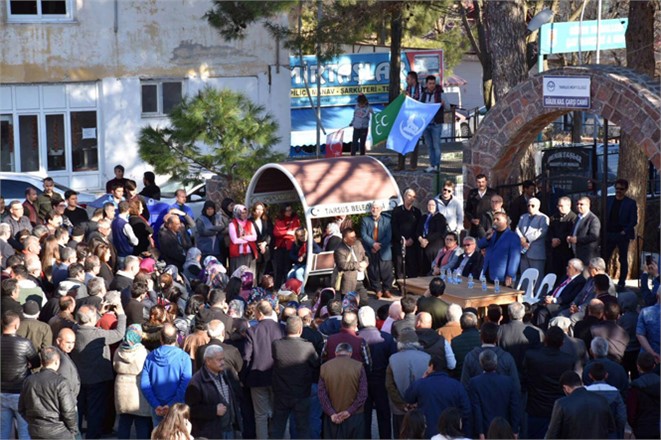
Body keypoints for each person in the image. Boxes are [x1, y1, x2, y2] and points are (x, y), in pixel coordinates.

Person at [71, 303, 126, 439]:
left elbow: (86, 321)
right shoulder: (98, 335)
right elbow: (119, 333)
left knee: (79, 409)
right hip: (97, 379)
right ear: (92, 319)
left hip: (79, 378)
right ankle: (93, 436)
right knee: (95, 411)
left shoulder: (74, 329)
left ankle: (76, 435)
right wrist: (121, 314)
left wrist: (98, 314)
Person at [522, 327, 577, 439]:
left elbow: (524, 379)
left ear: (545, 340)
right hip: (558, 408)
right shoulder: (568, 360)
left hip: (537, 408)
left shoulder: (531, 356)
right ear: (562, 343)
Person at [271, 316, 320, 439]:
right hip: (301, 393)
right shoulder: (307, 347)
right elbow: (316, 363)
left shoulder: (276, 344)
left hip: (281, 393)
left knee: (277, 427)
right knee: (303, 427)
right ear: (300, 330)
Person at [243, 300, 285, 439]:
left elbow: (247, 357)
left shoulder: (252, 331)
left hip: (257, 378)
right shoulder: (281, 329)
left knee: (260, 416)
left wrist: (244, 377)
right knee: (278, 413)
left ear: (259, 313)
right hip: (277, 377)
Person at [18, 346, 78, 439]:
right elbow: (68, 411)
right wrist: (73, 429)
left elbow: (22, 408)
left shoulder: (29, 381)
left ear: (42, 362)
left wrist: (34, 422)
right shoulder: (61, 382)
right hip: (59, 431)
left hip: (36, 430)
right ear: (57, 361)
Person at [405, 356, 471, 438]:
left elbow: (408, 397)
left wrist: (422, 378)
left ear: (432, 366)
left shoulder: (421, 384)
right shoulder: (457, 385)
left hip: (427, 430)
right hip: (450, 432)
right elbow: (466, 410)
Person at [185, 345, 241, 439]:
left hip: (230, 429)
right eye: (219, 360)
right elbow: (191, 409)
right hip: (211, 432)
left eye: (223, 359)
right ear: (208, 361)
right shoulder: (197, 382)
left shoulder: (226, 374)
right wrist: (213, 410)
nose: (223, 362)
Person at [141, 323, 193, 425]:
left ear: (160, 338)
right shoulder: (184, 357)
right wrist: (171, 405)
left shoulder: (150, 357)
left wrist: (156, 405)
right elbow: (185, 385)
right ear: (177, 337)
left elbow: (144, 385)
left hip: (158, 408)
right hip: (177, 408)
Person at [1, 310, 40, 440]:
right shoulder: (25, 343)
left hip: (1, 392)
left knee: (3, 430)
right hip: (20, 391)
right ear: (17, 325)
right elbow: (36, 362)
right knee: (25, 430)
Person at [318, 342, 368, 439]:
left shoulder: (324, 367)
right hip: (354, 417)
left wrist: (331, 412)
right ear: (350, 353)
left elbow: (321, 393)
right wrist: (349, 411)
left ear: (336, 353)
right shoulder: (359, 366)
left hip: (332, 417)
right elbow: (363, 393)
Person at [545, 371, 615, 439]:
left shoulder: (561, 404)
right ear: (581, 383)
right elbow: (611, 428)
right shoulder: (601, 400)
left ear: (565, 388)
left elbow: (552, 434)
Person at [467, 350, 521, 439]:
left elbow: (477, 409)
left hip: (486, 429)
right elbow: (514, 407)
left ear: (481, 364)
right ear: (496, 363)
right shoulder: (508, 382)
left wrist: (480, 432)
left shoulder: (474, 382)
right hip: (505, 428)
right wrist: (515, 430)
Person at [385, 329, 430, 435]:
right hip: (421, 408)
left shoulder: (393, 359)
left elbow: (390, 385)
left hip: (400, 410)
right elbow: (429, 382)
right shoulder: (427, 358)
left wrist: (402, 404)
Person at [113, 324, 153, 440]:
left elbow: (115, 366)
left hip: (122, 387)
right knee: (142, 423)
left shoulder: (118, 351)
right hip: (138, 389)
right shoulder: (144, 352)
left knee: (124, 422)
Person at [460, 322, 519, 390]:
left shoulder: (470, 357)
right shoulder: (507, 357)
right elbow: (515, 385)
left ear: (481, 337)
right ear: (497, 338)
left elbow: (464, 384)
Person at [605, 178, 638, 290]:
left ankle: (621, 282)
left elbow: (633, 220)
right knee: (604, 256)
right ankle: (603, 280)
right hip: (609, 233)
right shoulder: (609, 200)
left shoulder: (630, 203)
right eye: (617, 188)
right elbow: (604, 215)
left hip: (622, 235)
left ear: (626, 189)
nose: (618, 191)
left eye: (621, 189)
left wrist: (624, 231)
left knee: (623, 259)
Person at [360, 202, 394, 299]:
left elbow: (388, 236)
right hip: (371, 249)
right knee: (373, 271)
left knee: (387, 272)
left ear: (381, 210)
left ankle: (386, 290)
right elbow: (363, 235)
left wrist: (379, 246)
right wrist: (373, 244)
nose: (374, 210)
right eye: (373, 208)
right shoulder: (365, 220)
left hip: (384, 250)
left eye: (377, 208)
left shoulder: (387, 220)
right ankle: (378, 290)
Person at [477, 212, 521, 286]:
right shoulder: (492, 234)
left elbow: (515, 257)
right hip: (489, 270)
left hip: (502, 273)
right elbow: (480, 245)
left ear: (505, 221)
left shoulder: (512, 236)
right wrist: (486, 238)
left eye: (498, 219)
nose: (495, 221)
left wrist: (510, 274)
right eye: (494, 219)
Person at [584, 362, 626, 439]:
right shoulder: (615, 392)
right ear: (606, 375)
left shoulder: (584, 392)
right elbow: (621, 417)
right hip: (610, 432)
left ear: (590, 376)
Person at [626, 352, 660, 439]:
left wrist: (634, 426)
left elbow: (631, 412)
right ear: (654, 366)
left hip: (642, 428)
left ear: (638, 366)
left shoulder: (635, 387)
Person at [392, 188, 422, 284]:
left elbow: (418, 227)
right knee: (399, 266)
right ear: (404, 197)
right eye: (409, 196)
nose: (411, 198)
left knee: (412, 266)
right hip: (399, 243)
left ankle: (411, 286)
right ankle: (401, 286)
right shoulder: (397, 211)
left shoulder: (417, 212)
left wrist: (412, 239)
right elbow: (394, 227)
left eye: (414, 197)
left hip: (412, 243)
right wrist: (401, 239)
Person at [333, 227, 370, 304]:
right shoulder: (339, 250)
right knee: (348, 306)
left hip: (360, 280)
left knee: (364, 302)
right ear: (345, 239)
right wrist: (359, 265)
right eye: (352, 237)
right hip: (348, 282)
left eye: (355, 236)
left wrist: (365, 263)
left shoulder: (358, 244)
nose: (354, 239)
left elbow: (365, 255)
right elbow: (343, 265)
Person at [547, 196, 577, 286]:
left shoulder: (573, 218)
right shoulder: (554, 217)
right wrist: (552, 239)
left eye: (561, 206)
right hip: (555, 251)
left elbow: (571, 232)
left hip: (566, 250)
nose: (559, 208)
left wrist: (560, 240)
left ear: (568, 205)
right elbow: (549, 230)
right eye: (558, 206)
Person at [515, 197, 549, 275]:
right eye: (528, 205)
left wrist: (526, 239)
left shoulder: (544, 218)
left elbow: (542, 231)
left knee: (537, 276)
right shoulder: (523, 217)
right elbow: (517, 228)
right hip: (523, 251)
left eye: (532, 205)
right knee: (524, 275)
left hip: (536, 252)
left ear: (538, 206)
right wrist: (521, 238)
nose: (530, 207)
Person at [420, 75, 446, 173]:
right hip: (426, 124)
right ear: (426, 84)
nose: (432, 85)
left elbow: (447, 107)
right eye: (430, 83)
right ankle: (432, 165)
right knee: (429, 146)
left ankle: (437, 166)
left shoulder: (440, 94)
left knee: (436, 145)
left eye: (433, 83)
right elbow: (419, 106)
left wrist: (443, 104)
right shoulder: (423, 94)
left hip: (436, 123)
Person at [397, 71, 423, 170]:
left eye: (408, 79)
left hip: (415, 118)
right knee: (402, 139)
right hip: (406, 117)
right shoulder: (407, 88)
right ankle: (400, 164)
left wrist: (409, 97)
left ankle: (413, 165)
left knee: (414, 142)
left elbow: (418, 101)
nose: (406, 80)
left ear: (413, 79)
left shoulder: (419, 88)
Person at [567, 196, 601, 266]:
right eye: (577, 204)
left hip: (587, 255)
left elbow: (594, 236)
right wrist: (570, 238)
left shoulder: (593, 219)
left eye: (581, 204)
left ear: (588, 205)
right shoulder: (578, 218)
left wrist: (577, 240)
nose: (579, 206)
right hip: (576, 253)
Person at [417, 198, 448, 275]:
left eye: (433, 205)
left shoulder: (440, 217)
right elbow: (417, 230)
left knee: (430, 252)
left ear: (436, 206)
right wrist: (420, 239)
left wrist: (427, 240)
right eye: (429, 205)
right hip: (422, 242)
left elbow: (439, 232)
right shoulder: (424, 217)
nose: (431, 206)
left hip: (434, 242)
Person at [272, 204, 301, 288]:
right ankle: (277, 287)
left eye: (290, 210)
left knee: (288, 268)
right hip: (281, 247)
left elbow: (296, 233)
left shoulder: (295, 219)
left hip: (291, 247)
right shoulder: (279, 220)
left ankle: (288, 286)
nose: (289, 212)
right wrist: (288, 233)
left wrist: (285, 234)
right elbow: (277, 233)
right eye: (287, 210)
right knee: (279, 268)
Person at [228, 204, 257, 275]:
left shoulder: (250, 223)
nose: (244, 215)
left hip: (249, 253)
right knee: (240, 274)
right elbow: (235, 240)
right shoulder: (232, 224)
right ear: (237, 213)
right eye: (242, 213)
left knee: (250, 274)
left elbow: (254, 237)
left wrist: (244, 237)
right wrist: (249, 238)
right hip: (238, 254)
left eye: (245, 213)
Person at [112, 201, 139, 268]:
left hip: (117, 253)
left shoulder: (114, 222)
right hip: (126, 254)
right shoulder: (125, 225)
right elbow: (135, 242)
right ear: (128, 209)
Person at [250, 201, 272, 281]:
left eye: (261, 210)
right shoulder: (250, 221)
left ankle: (261, 287)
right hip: (254, 248)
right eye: (258, 209)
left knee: (263, 269)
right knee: (254, 270)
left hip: (265, 248)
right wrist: (258, 245)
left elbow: (270, 233)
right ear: (254, 210)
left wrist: (265, 243)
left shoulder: (266, 220)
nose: (260, 212)